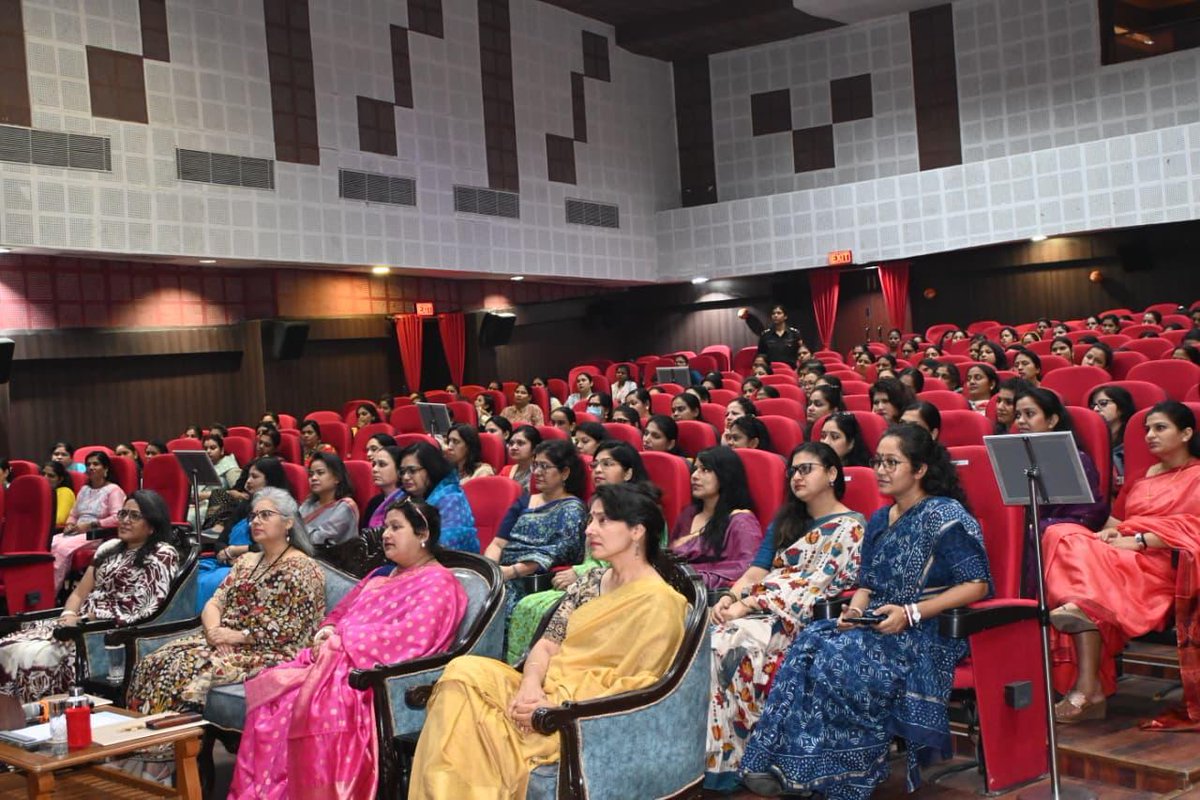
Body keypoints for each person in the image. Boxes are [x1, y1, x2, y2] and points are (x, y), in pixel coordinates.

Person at [740, 425, 991, 798]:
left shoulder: (946, 516)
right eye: (878, 462)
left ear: (920, 469)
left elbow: (977, 584)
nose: (881, 470)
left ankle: (845, 773)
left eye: (892, 463)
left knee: (839, 657)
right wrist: (854, 612)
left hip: (926, 629)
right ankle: (785, 762)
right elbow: (867, 584)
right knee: (811, 641)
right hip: (876, 622)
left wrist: (911, 613)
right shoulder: (879, 519)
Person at [410, 482, 686, 799]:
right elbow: (547, 644)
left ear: (637, 531)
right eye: (590, 519)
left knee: (466, 723)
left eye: (603, 521)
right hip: (543, 687)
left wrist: (556, 705)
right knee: (462, 672)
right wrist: (530, 685)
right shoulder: (590, 581)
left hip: (581, 709)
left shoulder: (662, 602)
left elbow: (641, 684)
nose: (589, 530)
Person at [230, 498, 468, 799]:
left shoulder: (439, 583)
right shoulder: (382, 574)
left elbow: (409, 638)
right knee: (273, 690)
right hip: (333, 659)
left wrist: (342, 642)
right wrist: (328, 631)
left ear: (423, 534)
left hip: (366, 675)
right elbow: (340, 611)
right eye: (386, 527)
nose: (386, 535)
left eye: (396, 528)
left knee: (301, 703)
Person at [705, 444, 866, 791]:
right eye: (793, 471)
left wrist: (748, 605)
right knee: (699, 637)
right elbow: (756, 571)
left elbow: (814, 586)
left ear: (832, 473)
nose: (797, 477)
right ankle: (705, 759)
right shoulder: (786, 521)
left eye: (806, 469)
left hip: (800, 618)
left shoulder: (850, 528)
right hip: (757, 608)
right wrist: (731, 597)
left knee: (723, 644)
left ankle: (739, 762)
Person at [1043, 402, 1200, 727]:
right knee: (1060, 532)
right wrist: (1112, 534)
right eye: (1147, 429)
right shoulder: (1141, 479)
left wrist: (1141, 540)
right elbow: (1114, 524)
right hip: (1121, 556)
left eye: (1160, 428)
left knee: (1084, 592)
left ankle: (1089, 690)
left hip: (1167, 566)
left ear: (1186, 433)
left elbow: (1194, 528)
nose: (1150, 435)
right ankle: (1081, 611)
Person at [127, 487, 326, 713]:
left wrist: (236, 636)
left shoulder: (303, 568)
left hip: (268, 650)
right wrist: (215, 633)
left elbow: (292, 630)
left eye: (265, 515)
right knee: (153, 661)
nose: (256, 521)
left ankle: (171, 734)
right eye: (253, 516)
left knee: (183, 667)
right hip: (222, 639)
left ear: (288, 522)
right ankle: (137, 731)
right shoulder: (247, 561)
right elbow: (215, 603)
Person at [0, 491, 179, 702]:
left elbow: (144, 607)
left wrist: (88, 619)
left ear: (152, 525)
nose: (125, 520)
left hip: (104, 630)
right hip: (77, 623)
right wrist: (68, 614)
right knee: (7, 645)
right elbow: (79, 593)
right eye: (123, 514)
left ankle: (41, 713)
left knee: (35, 656)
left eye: (135, 516)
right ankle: (13, 716)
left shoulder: (162, 554)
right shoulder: (109, 548)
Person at [504, 440, 652, 663]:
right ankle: (525, 666)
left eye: (607, 464)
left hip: (621, 583)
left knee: (537, 607)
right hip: (591, 577)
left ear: (628, 473)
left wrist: (580, 572)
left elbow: (639, 559)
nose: (598, 470)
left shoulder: (643, 510)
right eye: (595, 465)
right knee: (529, 605)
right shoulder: (597, 505)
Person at [1013, 388, 1108, 596]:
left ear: (1052, 420)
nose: (1020, 421)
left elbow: (1088, 515)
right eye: (1018, 415)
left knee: (1030, 535)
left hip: (1063, 535)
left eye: (1029, 414)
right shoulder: (1011, 458)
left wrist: (1039, 526)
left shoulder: (1076, 459)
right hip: (1026, 530)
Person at [488, 440, 587, 625]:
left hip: (535, 582)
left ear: (565, 473)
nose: (537, 472)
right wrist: (491, 570)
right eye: (535, 465)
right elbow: (498, 543)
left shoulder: (572, 509)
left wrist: (512, 571)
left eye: (545, 466)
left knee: (495, 609)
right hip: (503, 573)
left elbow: (558, 551)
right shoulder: (524, 502)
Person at [197, 457, 291, 611]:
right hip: (226, 562)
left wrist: (238, 551)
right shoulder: (245, 505)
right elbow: (221, 540)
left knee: (213, 581)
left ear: (270, 479)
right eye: (248, 476)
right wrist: (226, 554)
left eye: (254, 477)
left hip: (256, 566)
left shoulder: (283, 511)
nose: (248, 481)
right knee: (190, 574)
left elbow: (278, 546)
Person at [670, 446, 763, 589]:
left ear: (725, 475)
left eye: (705, 470)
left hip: (709, 595)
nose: (694, 476)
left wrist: (692, 578)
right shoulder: (688, 514)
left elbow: (748, 569)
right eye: (695, 469)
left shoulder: (741, 521)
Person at [52, 451, 126, 588]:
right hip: (77, 531)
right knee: (50, 544)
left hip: (96, 534)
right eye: (88, 464)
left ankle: (51, 592)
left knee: (62, 548)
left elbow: (118, 518)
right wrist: (70, 524)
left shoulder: (113, 490)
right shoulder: (84, 489)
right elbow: (74, 514)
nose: (91, 467)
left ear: (106, 468)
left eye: (96, 464)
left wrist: (90, 525)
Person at [397, 442, 479, 552]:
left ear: (431, 469)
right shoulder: (402, 498)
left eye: (412, 471)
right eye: (402, 472)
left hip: (451, 561)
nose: (406, 477)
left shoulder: (451, 500)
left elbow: (447, 547)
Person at [298, 452, 359, 547]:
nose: (313, 478)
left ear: (337, 477)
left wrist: (297, 533)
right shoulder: (308, 503)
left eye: (320, 473)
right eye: (311, 474)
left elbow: (319, 539)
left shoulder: (345, 507)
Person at [1088, 385, 1136, 495]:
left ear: (1121, 407)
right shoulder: (1089, 439)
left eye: (1103, 403)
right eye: (1093, 406)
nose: (1095, 409)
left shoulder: (1133, 440)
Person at [192, 434, 243, 526]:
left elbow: (239, 494)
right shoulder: (200, 466)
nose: (208, 451)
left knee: (190, 517)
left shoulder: (230, 467)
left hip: (216, 508)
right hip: (196, 505)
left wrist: (208, 495)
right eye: (205, 448)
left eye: (212, 448)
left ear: (222, 450)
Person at [360, 445, 406, 531]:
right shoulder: (374, 502)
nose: (374, 469)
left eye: (382, 464)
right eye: (374, 464)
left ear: (399, 470)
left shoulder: (408, 502)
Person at [500, 425, 541, 492]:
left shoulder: (541, 473)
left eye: (520, 443)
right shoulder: (506, 471)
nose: (513, 447)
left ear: (535, 448)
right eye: (511, 443)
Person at [42, 460, 76, 526]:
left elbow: (59, 519)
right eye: (43, 474)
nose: (44, 478)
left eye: (51, 476)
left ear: (60, 480)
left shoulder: (65, 492)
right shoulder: (39, 493)